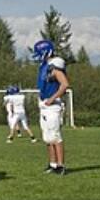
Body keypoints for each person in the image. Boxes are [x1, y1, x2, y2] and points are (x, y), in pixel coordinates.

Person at [33, 39, 69, 175]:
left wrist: (52, 99)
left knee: (55, 136)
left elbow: (65, 84)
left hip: (53, 105)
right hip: (44, 105)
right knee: (47, 137)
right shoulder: (45, 65)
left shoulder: (54, 67)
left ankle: (60, 165)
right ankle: (52, 163)